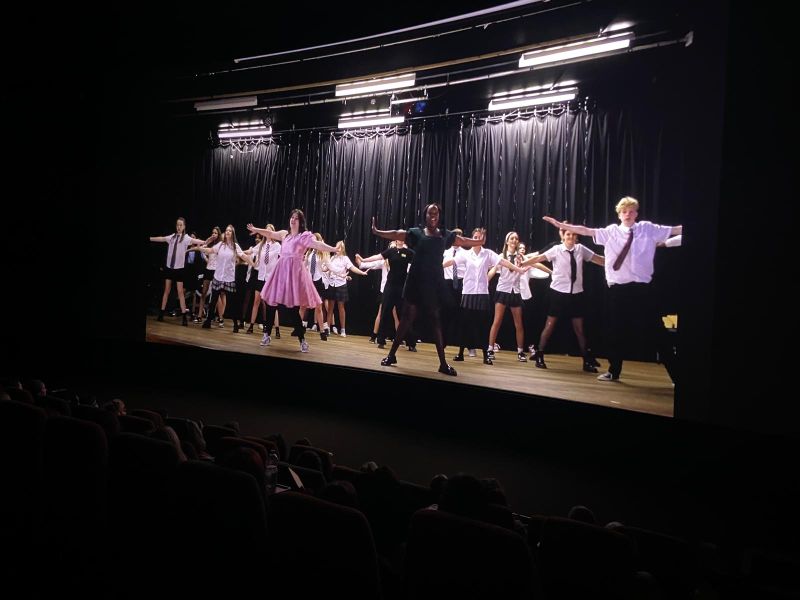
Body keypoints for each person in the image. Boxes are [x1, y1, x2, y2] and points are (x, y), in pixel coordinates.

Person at [543, 196, 681, 381]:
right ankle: (613, 371)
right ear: (619, 214)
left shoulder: (647, 229)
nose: (628, 214)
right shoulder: (611, 232)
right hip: (618, 289)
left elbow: (674, 230)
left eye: (631, 211)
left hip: (643, 289)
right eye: (624, 211)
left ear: (636, 213)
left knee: (657, 331)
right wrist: (564, 226)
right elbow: (586, 230)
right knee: (616, 331)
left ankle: (677, 376)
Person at [371, 204, 485, 375]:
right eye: (430, 213)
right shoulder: (416, 233)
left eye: (436, 213)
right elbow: (397, 233)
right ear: (425, 215)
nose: (433, 216)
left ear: (439, 216)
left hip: (433, 283)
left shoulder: (445, 235)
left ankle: (442, 363)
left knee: (435, 320)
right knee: (406, 319)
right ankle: (392, 355)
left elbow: (463, 241)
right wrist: (378, 231)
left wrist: (479, 241)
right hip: (416, 281)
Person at [247, 209, 337, 352]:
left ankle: (302, 340)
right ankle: (266, 334)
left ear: (300, 222)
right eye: (291, 217)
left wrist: (333, 248)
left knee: (294, 310)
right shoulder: (285, 235)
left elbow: (318, 245)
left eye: (296, 218)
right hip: (280, 273)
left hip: (294, 275)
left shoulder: (303, 237)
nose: (292, 220)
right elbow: (270, 234)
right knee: (271, 305)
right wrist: (255, 229)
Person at [521, 226, 604, 371]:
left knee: (579, 329)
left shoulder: (581, 249)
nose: (571, 237)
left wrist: (617, 261)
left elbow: (598, 259)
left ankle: (586, 360)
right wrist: (523, 263)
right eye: (568, 234)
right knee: (550, 324)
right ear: (563, 236)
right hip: (558, 293)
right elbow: (539, 258)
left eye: (573, 235)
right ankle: (539, 355)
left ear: (576, 237)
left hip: (576, 294)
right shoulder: (556, 250)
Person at [444, 228, 527, 365]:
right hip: (468, 292)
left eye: (480, 237)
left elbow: (503, 262)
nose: (477, 239)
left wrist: (519, 269)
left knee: (482, 325)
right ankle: (460, 353)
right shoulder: (465, 254)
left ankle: (485, 355)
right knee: (465, 324)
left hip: (482, 293)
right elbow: (451, 262)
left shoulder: (488, 254)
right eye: (475, 236)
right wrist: (436, 267)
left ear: (484, 239)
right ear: (472, 238)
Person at [487, 231, 550, 362]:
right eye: (512, 238)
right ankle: (490, 349)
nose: (514, 240)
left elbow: (535, 263)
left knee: (518, 324)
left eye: (516, 238)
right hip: (502, 290)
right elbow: (493, 270)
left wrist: (551, 272)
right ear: (507, 241)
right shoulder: (501, 256)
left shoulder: (520, 257)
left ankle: (520, 351)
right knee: (497, 321)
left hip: (515, 292)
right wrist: (485, 281)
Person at [357, 239, 415, 350]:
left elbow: (418, 262)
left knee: (404, 314)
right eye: (399, 238)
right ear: (396, 240)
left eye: (403, 237)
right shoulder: (390, 251)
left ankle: (411, 343)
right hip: (390, 287)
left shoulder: (408, 252)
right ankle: (381, 340)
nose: (401, 240)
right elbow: (377, 257)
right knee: (384, 312)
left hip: (402, 288)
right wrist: (363, 259)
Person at [149, 217, 208, 325]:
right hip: (169, 268)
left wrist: (206, 241)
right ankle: (161, 313)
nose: (179, 227)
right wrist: (150, 238)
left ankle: (184, 316)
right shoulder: (172, 237)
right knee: (166, 290)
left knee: (180, 292)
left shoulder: (185, 238)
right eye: (177, 225)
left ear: (184, 226)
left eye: (181, 225)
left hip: (179, 269)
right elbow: (162, 238)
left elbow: (195, 240)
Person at [197, 225, 255, 332]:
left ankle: (235, 324)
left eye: (230, 231)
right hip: (218, 276)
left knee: (232, 303)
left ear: (233, 234)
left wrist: (253, 264)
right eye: (226, 230)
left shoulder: (235, 246)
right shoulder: (220, 245)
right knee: (213, 300)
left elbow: (243, 256)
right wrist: (201, 248)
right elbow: (210, 250)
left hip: (229, 278)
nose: (227, 232)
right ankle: (208, 321)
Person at [321, 240, 368, 338]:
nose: (337, 249)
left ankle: (343, 329)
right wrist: (323, 266)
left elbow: (352, 268)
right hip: (332, 284)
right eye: (336, 247)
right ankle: (327, 329)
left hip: (341, 284)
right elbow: (325, 269)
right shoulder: (332, 258)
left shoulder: (345, 259)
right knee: (330, 308)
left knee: (341, 308)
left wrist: (362, 272)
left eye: (339, 247)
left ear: (342, 249)